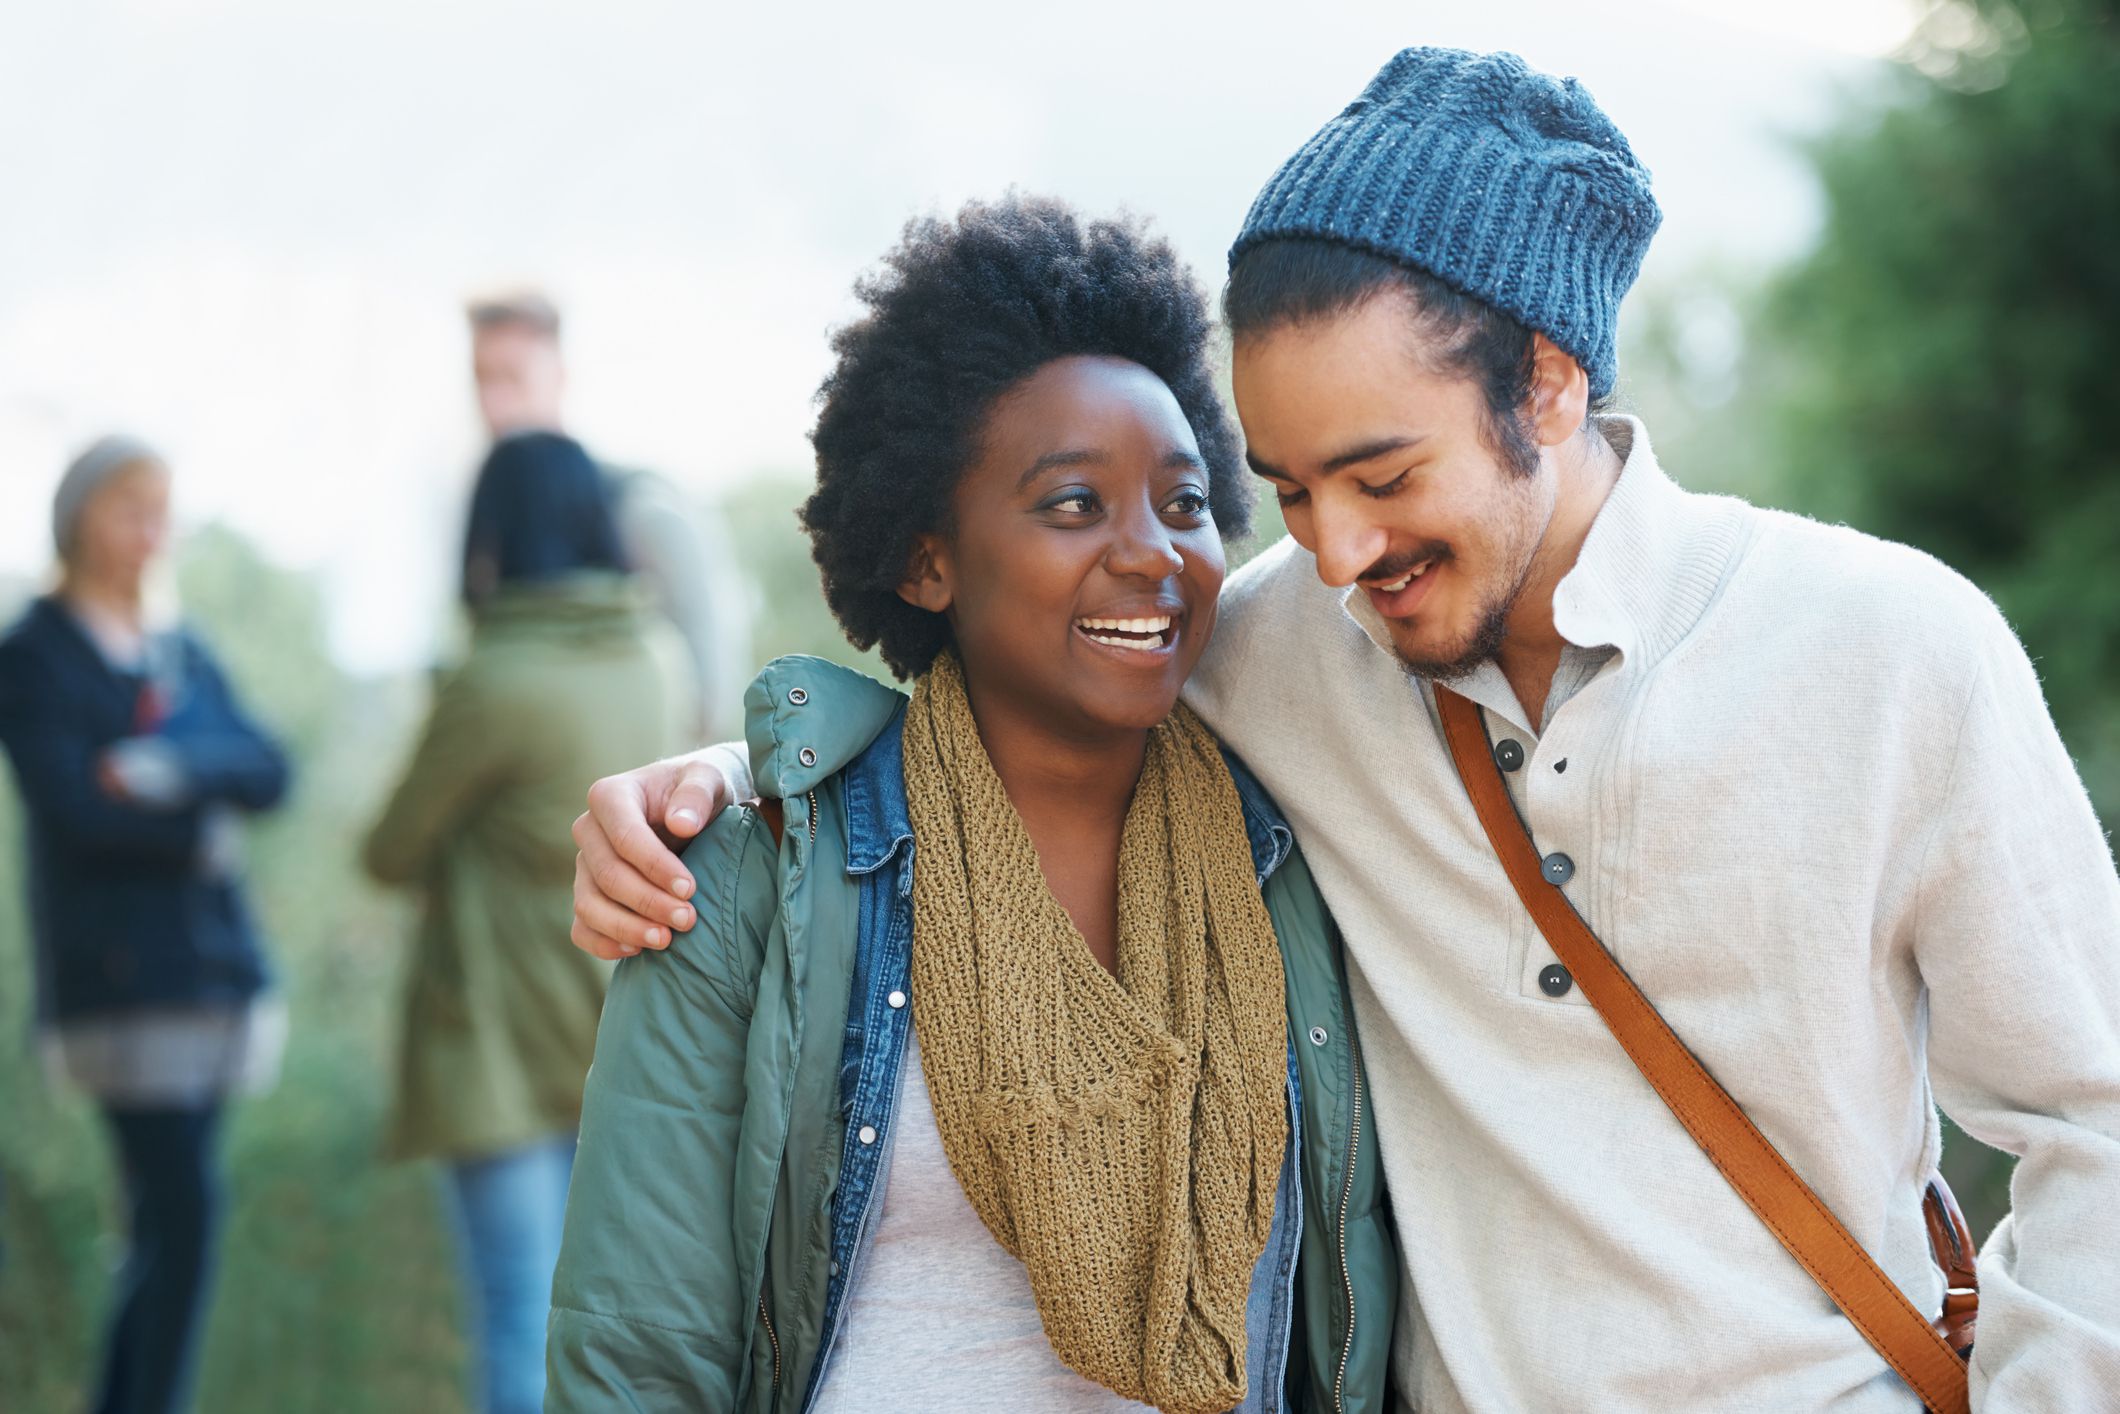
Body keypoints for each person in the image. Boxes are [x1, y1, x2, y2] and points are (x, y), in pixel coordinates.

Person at [559, 48, 2120, 1411]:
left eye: (1383, 477)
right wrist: (713, 781)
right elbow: (1000, 700)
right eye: (1290, 490)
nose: (1339, 554)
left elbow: (2094, 1118)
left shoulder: (1892, 649)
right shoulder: (1273, 649)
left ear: (1551, 386)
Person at [544, 197, 1398, 1414]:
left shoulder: (1293, 863)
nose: (1149, 551)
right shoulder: (744, 877)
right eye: (1070, 503)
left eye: (1184, 500)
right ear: (925, 556)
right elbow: (634, 1361)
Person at [361, 430, 694, 1414]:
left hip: (493, 1048)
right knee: (618, 1335)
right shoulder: (656, 659)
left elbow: (387, 851)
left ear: (490, 534)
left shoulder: (490, 679)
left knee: (519, 1328)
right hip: (623, 1041)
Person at [0, 435, 291, 1414]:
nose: (151, 530)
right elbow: (75, 810)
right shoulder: (34, 652)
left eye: (162, 508)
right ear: (83, 516)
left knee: (161, 1233)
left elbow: (267, 767)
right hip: (121, 990)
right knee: (185, 1215)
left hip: (212, 980)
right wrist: (200, 813)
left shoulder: (178, 645)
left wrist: (167, 771)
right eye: (133, 506)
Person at [466, 288, 746, 739]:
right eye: (481, 380)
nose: (496, 404)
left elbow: (712, 697)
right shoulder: (488, 521)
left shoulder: (640, 507)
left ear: (558, 376)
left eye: (513, 378)